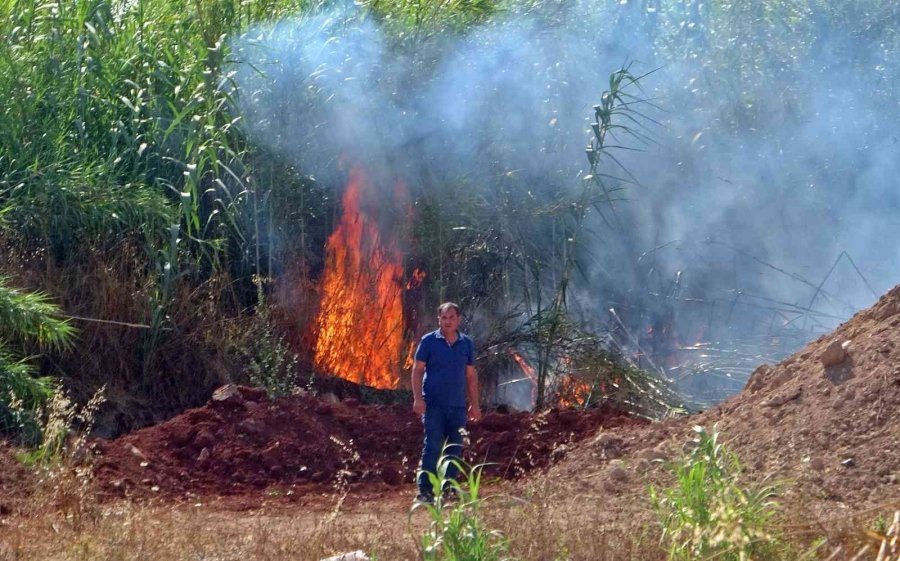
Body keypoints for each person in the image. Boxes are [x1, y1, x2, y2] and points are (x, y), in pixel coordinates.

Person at [411, 302, 481, 503]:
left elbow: (470, 376)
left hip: (457, 406)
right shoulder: (428, 342)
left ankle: (448, 489)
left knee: (455, 448)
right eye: (444, 317)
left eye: (452, 317)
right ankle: (425, 491)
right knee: (432, 446)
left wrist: (474, 404)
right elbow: (417, 370)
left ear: (458, 320)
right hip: (433, 405)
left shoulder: (466, 344)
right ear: (438, 319)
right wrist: (417, 398)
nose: (448, 321)